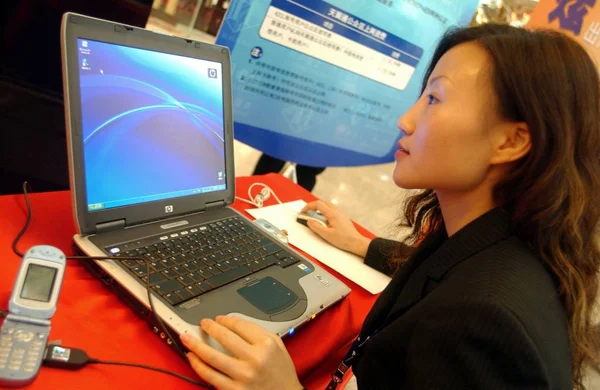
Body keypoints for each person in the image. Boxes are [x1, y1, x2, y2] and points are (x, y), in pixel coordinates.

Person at [178, 24, 600, 389]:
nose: (406, 120)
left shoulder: (482, 324)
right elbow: (442, 272)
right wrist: (359, 244)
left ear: (511, 141)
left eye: (434, 99)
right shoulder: (498, 238)